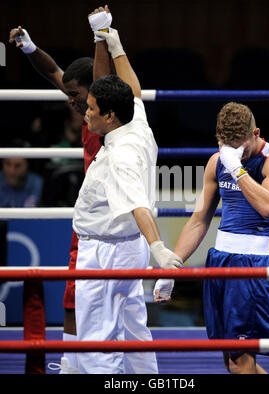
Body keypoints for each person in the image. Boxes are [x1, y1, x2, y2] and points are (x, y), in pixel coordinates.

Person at [72, 26, 182, 374]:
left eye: (90, 109)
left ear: (109, 116)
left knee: (96, 338)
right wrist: (116, 45)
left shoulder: (120, 156)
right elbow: (133, 89)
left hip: (106, 252)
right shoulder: (136, 123)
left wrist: (160, 250)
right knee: (133, 326)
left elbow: (138, 205)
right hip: (125, 247)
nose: (84, 114)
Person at [9, 6, 112, 373]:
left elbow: (101, 78)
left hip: (118, 219)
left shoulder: (115, 112)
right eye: (68, 95)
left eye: (76, 94)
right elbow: (53, 72)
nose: (70, 101)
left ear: (96, 90)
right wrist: (28, 47)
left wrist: (101, 33)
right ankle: (71, 362)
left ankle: (121, 364)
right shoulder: (86, 110)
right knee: (73, 291)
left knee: (120, 296)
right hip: (88, 221)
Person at [159, 102, 269, 374]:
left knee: (240, 361)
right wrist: (172, 265)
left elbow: (268, 207)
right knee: (232, 361)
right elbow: (199, 220)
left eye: (238, 147)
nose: (233, 154)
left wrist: (237, 170)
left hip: (252, 267)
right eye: (225, 146)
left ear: (256, 133)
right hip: (219, 263)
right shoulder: (217, 162)